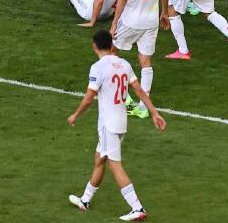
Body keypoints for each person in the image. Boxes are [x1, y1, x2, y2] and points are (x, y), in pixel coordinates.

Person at [66, 30, 166, 222]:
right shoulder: (124, 64)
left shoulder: (98, 68)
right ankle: (85, 200)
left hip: (108, 124)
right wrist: (153, 112)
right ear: (111, 45)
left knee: (114, 164)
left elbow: (88, 99)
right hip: (121, 122)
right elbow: (139, 91)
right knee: (99, 158)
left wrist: (75, 115)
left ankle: (137, 207)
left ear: (94, 46)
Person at [110, 0, 169, 120]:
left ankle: (125, 98)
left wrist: (114, 21)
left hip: (131, 19)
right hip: (151, 20)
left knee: (110, 53)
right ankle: (144, 106)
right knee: (145, 62)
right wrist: (164, 13)